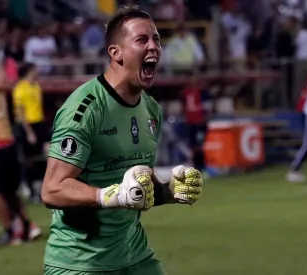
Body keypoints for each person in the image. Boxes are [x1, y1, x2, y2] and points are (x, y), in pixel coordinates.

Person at [41, 6, 203, 275]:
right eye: (142, 40)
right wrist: (108, 195)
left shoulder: (151, 110)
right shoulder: (84, 108)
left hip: (135, 256)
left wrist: (168, 192)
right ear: (115, 53)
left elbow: (137, 189)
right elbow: (52, 189)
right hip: (81, 263)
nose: (154, 47)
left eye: (157, 40)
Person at [0, 65, 41, 246]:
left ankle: (11, 231)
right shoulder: (4, 89)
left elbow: (6, 81)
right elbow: (7, 81)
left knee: (1, 193)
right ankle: (27, 225)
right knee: (9, 192)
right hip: (7, 144)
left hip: (1, 145)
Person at [12, 62, 48, 203]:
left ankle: (40, 188)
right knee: (29, 159)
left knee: (42, 156)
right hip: (27, 126)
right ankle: (28, 188)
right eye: (34, 70)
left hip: (39, 124)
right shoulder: (20, 88)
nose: (37, 72)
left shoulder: (36, 86)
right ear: (28, 72)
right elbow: (20, 114)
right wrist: (29, 132)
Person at [182, 74, 212, 173]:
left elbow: (207, 109)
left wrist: (204, 121)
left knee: (200, 145)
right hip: (191, 123)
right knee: (193, 146)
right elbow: (185, 107)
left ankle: (203, 166)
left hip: (200, 123)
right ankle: (197, 167)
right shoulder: (186, 93)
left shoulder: (203, 93)